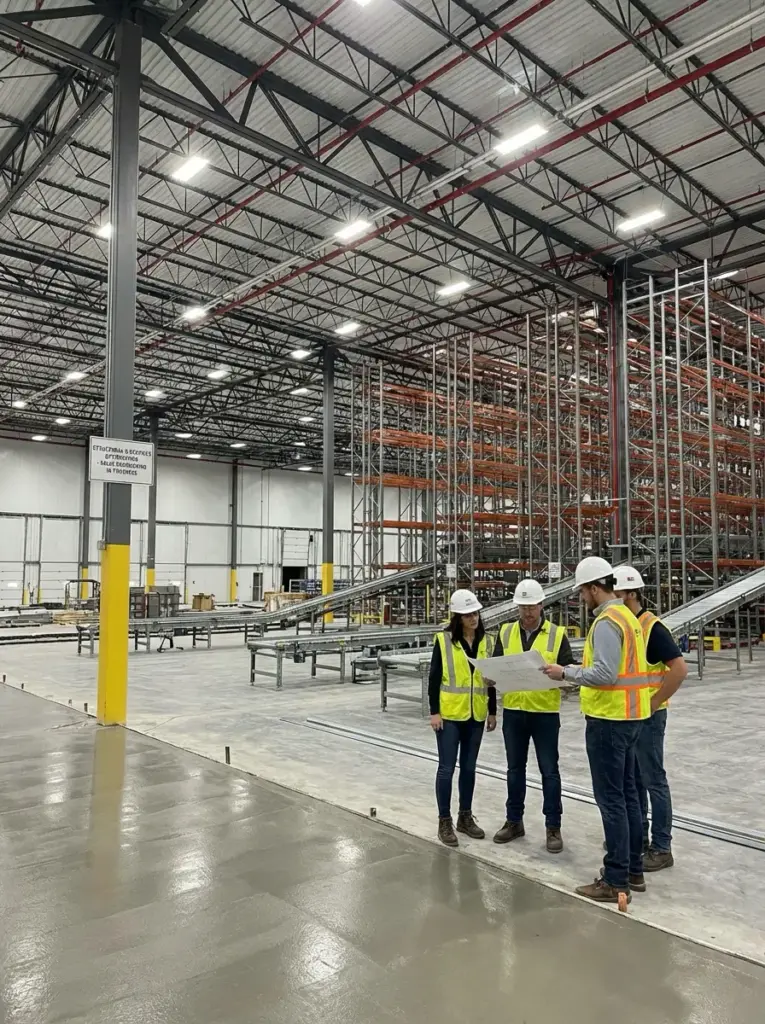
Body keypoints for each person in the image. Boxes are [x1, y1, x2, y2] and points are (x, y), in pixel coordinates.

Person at [542, 557, 652, 905]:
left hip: (609, 721)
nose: (581, 598)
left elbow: (605, 674)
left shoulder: (606, 622)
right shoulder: (628, 617)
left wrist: (566, 672)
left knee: (612, 801)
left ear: (593, 588)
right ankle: (633, 870)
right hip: (632, 718)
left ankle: (615, 879)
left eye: (582, 592)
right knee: (629, 797)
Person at [490, 578, 576, 853]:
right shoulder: (506, 632)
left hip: (544, 713)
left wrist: (559, 674)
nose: (527, 613)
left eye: (532, 607)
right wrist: (490, 678)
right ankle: (514, 821)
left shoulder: (556, 634)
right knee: (514, 769)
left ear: (541, 606)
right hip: (514, 711)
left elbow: (569, 671)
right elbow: (496, 665)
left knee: (549, 771)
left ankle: (553, 827)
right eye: (523, 607)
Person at [614, 566, 687, 872]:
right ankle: (639, 838)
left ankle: (662, 847)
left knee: (653, 779)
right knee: (634, 779)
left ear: (631, 593)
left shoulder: (651, 628)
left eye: (616, 592)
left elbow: (679, 669)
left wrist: (655, 702)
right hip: (630, 715)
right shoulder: (625, 625)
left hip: (649, 718)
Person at [429, 588, 496, 847]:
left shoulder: (487, 642)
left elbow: (490, 679)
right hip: (450, 716)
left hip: (476, 714)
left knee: (469, 768)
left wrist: (492, 711)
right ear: (458, 617)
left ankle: (464, 817)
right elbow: (434, 678)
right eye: (468, 615)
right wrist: (434, 712)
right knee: (446, 768)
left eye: (476, 613)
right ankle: (444, 821)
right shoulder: (444, 640)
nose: (474, 618)